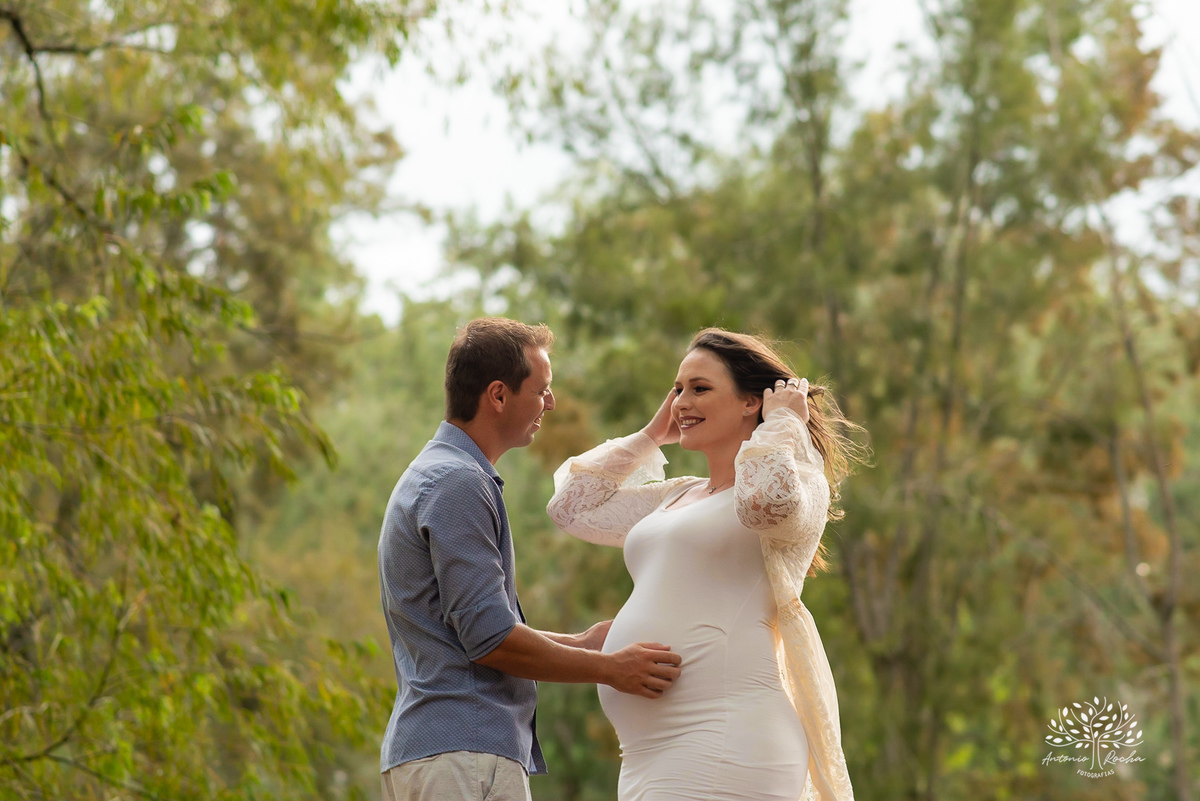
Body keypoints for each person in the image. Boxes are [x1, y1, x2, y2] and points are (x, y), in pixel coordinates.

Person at [547, 327, 867, 801]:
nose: (681, 401)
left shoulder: (797, 485)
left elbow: (761, 504)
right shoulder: (678, 495)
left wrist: (783, 425)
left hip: (726, 736)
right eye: (677, 389)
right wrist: (656, 432)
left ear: (749, 403)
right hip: (644, 754)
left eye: (700, 388)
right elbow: (571, 508)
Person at [377, 317, 683, 801]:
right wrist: (610, 668)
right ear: (498, 395)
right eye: (542, 389)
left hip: (442, 754)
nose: (551, 403)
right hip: (464, 755)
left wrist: (582, 643)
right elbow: (491, 639)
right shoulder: (458, 483)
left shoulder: (437, 473)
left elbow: (470, 631)